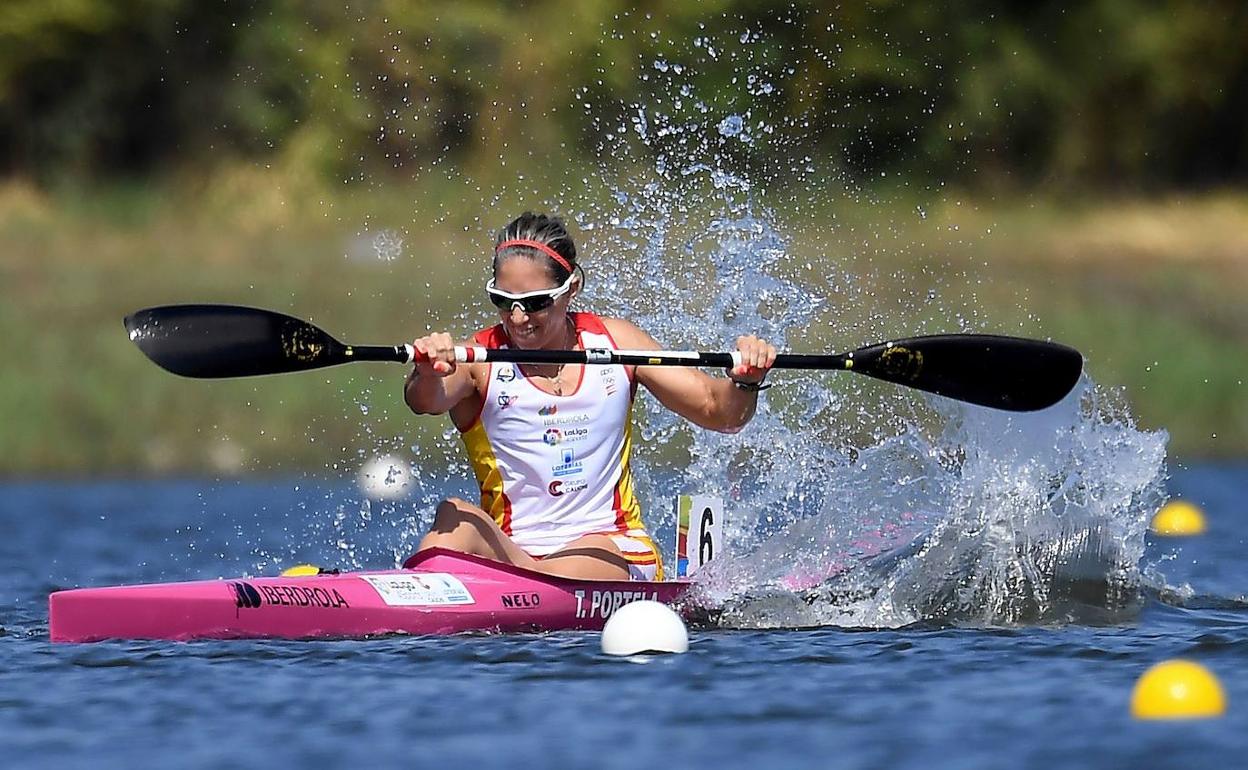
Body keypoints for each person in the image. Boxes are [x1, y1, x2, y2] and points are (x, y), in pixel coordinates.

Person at [405, 212, 775, 581]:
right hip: (514, 552)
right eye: (503, 301)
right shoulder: (478, 361)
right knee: (455, 515)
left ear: (571, 288)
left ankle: (515, 584)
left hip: (613, 547)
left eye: (535, 303)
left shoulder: (618, 344)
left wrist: (745, 381)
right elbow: (426, 400)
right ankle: (411, 596)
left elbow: (719, 412)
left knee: (595, 546)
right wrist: (426, 370)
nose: (518, 319)